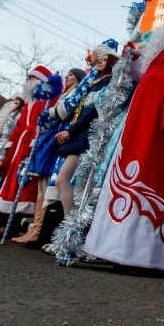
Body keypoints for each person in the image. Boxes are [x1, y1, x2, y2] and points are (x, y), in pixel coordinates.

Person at [84, 0, 164, 272]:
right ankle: (114, 248)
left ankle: (145, 255)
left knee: (156, 173)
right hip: (144, 112)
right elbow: (145, 74)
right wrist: (131, 62)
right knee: (130, 170)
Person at [12, 68, 85, 245]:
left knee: (48, 185)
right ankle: (36, 228)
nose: (67, 77)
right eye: (67, 75)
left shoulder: (76, 93)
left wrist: (51, 113)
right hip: (50, 136)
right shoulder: (64, 94)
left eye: (71, 75)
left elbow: (67, 112)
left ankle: (40, 230)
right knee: (41, 186)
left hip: (58, 137)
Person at [0, 66, 58, 237]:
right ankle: (6, 222)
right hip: (19, 145)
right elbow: (19, 126)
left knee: (25, 183)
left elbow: (46, 121)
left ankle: (18, 224)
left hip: (31, 143)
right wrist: (11, 144)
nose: (30, 81)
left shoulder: (48, 99)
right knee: (12, 183)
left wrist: (37, 138)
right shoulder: (30, 102)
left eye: (33, 78)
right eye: (29, 78)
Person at [56, 42, 118, 215]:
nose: (99, 60)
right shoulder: (94, 83)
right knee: (68, 182)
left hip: (86, 136)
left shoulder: (107, 83)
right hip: (79, 133)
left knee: (63, 180)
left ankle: (71, 230)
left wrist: (71, 131)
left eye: (105, 59)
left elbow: (91, 112)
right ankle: (71, 228)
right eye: (99, 57)